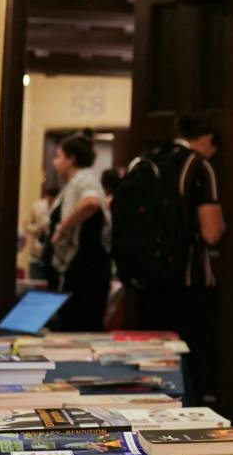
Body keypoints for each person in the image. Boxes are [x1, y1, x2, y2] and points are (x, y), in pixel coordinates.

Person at [121, 115, 224, 403]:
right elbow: (211, 231)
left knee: (152, 364)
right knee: (189, 366)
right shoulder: (199, 166)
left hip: (145, 282)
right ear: (207, 140)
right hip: (188, 282)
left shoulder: (143, 162)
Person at [47, 133, 110, 331]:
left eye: (58, 156)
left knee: (81, 324)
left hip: (86, 271)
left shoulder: (85, 179)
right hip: (78, 269)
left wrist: (61, 229)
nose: (54, 162)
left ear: (71, 158)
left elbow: (90, 203)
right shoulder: (72, 185)